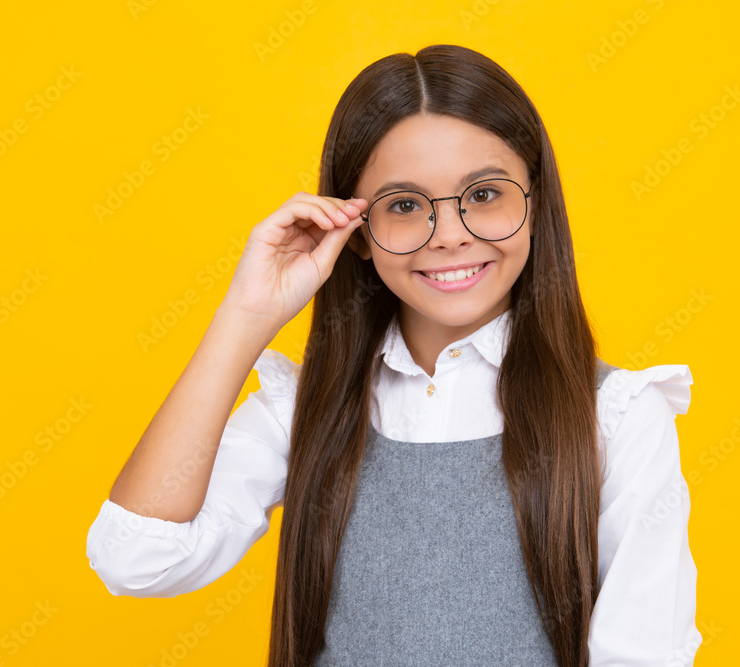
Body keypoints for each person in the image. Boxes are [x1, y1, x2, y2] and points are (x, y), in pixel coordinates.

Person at [86, 43, 702, 666]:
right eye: (405, 206)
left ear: (536, 204)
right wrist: (246, 317)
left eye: (485, 194)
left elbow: (643, 655)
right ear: (354, 233)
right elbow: (136, 557)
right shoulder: (308, 410)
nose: (453, 234)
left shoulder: (617, 418)